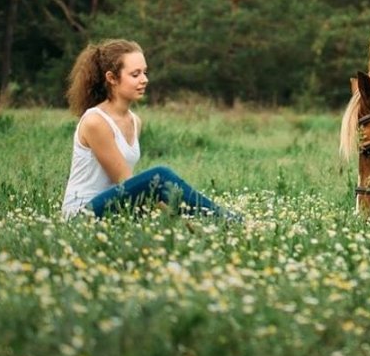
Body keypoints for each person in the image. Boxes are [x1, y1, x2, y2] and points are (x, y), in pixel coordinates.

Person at [61, 38, 240, 221]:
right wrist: (174, 216)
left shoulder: (135, 121)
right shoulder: (95, 121)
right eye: (135, 74)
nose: (144, 80)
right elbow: (126, 182)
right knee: (159, 177)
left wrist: (178, 219)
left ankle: (215, 221)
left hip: (115, 210)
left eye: (145, 72)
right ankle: (227, 220)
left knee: (157, 194)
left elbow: (134, 193)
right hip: (81, 215)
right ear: (112, 78)